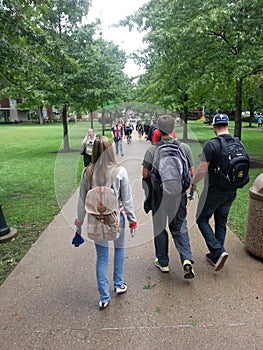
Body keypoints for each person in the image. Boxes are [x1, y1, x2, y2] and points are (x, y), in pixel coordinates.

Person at [74, 136, 137, 310]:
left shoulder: (87, 172)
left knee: (101, 257)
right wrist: (133, 220)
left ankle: (104, 297)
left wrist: (79, 221)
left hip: (95, 220)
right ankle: (118, 283)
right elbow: (127, 199)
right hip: (117, 218)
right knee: (119, 250)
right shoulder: (120, 172)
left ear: (93, 151)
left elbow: (81, 200)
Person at [142, 114, 195, 279]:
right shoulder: (184, 148)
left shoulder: (152, 149)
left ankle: (163, 262)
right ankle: (186, 259)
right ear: (173, 129)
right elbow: (191, 172)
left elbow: (144, 174)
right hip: (178, 195)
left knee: (160, 227)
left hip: (159, 196)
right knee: (180, 227)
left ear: (158, 130)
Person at [189, 114, 236, 271]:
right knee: (221, 221)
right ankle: (216, 256)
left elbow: (202, 170)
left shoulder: (212, 145)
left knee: (202, 219)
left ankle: (218, 251)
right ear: (227, 125)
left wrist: (194, 184)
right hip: (231, 191)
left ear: (214, 127)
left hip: (215, 191)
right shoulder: (237, 142)